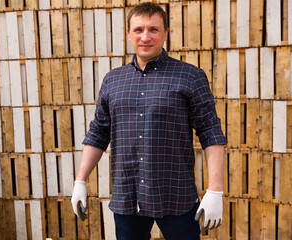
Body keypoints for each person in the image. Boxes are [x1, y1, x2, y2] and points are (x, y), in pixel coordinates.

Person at [71, 2, 227, 240]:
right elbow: (98, 133)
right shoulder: (113, 80)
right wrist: (80, 181)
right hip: (127, 198)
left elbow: (210, 132)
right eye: (138, 30)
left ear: (165, 33)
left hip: (177, 197)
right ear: (129, 34)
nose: (145, 36)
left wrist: (215, 190)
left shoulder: (190, 76)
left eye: (153, 30)